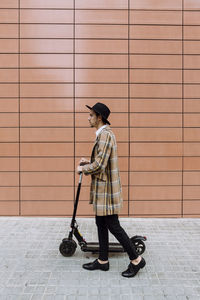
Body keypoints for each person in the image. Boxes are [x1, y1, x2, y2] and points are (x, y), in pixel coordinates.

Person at [76, 102, 146, 278]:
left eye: (91, 115)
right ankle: (102, 261)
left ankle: (136, 260)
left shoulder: (106, 135)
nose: (88, 118)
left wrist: (83, 169)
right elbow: (100, 160)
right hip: (103, 188)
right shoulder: (102, 135)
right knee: (100, 223)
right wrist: (87, 162)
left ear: (99, 117)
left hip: (106, 190)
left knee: (113, 225)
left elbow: (99, 165)